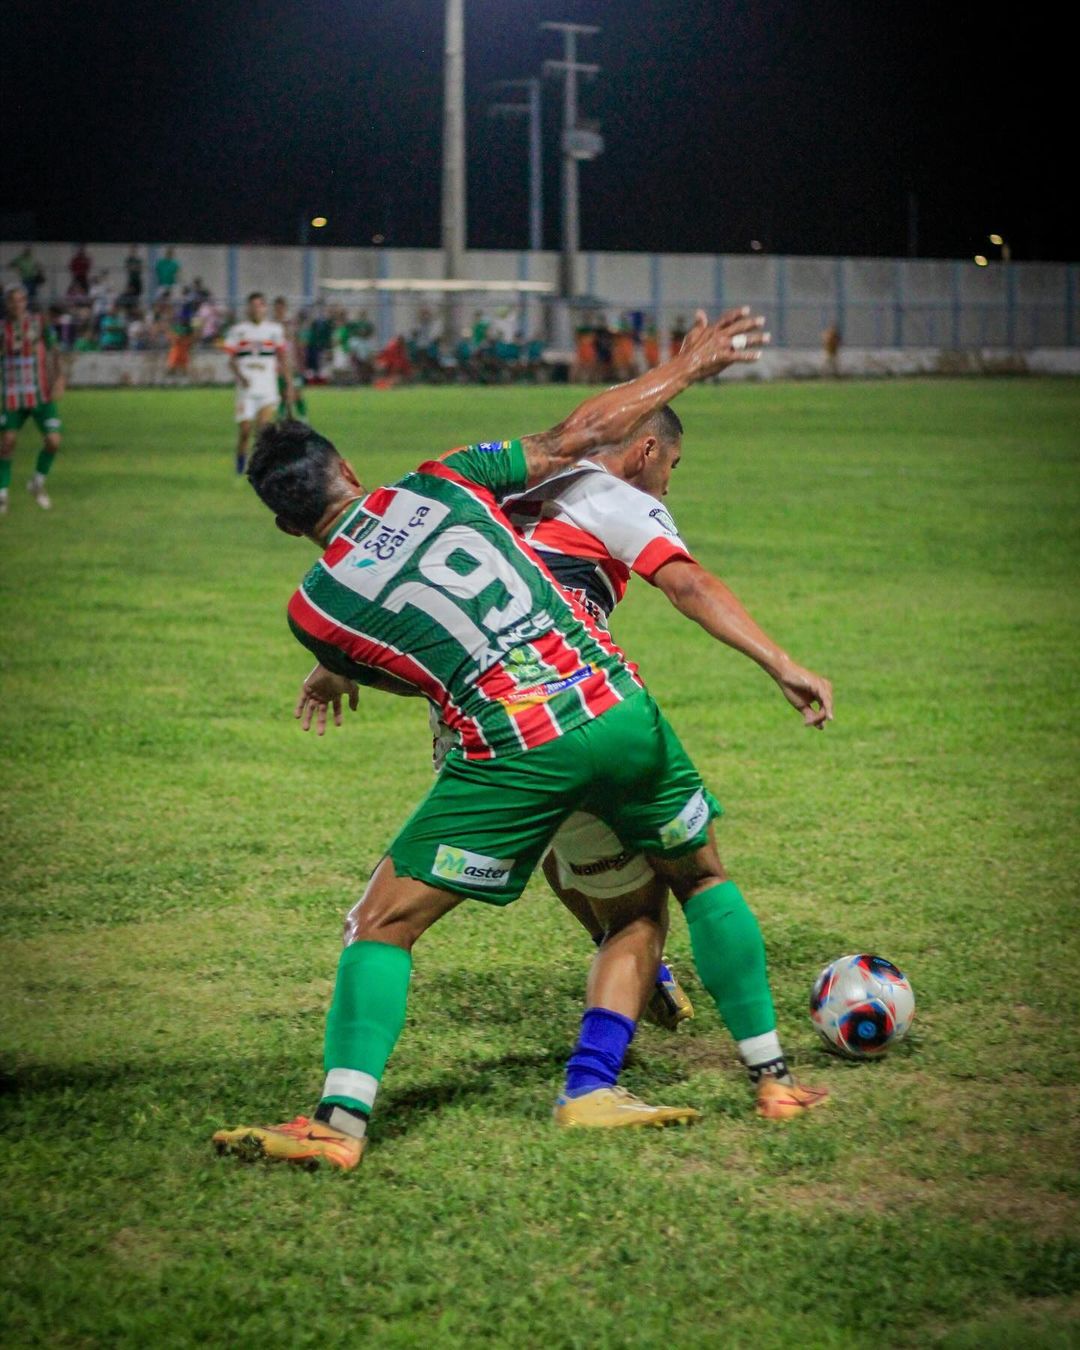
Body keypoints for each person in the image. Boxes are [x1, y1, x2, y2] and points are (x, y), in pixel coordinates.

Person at [212, 308, 829, 1173]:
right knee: (696, 880)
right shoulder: (445, 480)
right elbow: (581, 435)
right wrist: (685, 366)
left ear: (285, 525)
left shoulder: (313, 612)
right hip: (612, 701)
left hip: (510, 745)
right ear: (349, 468)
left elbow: (416, 673)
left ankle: (339, 1123)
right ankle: (773, 1081)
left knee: (381, 925)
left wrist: (338, 665)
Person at [493, 404, 835, 1032]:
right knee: (686, 875)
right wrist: (780, 661)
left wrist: (341, 662)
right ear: (647, 450)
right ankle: (758, 1060)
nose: (670, 482)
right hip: (568, 700)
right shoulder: (612, 493)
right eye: (672, 465)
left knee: (554, 838)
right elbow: (689, 586)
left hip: (472, 711)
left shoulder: (519, 481)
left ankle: (635, 962)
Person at [0, 285, 66, 515]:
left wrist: (59, 379)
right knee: (7, 442)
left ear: (26, 302)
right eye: (12, 300)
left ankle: (37, 484)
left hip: (40, 393)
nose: (17, 304)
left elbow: (54, 349)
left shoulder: (39, 323)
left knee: (54, 441)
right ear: (6, 303)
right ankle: (2, 495)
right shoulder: (2, 328)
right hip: (12, 394)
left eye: (20, 300)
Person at [223, 292, 293, 475]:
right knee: (245, 431)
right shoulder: (238, 331)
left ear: (265, 308)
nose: (256, 309)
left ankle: (258, 470)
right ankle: (239, 467)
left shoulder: (274, 330)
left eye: (259, 306)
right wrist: (241, 376)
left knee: (263, 431)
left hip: (267, 388)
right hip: (246, 390)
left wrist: (288, 384)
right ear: (248, 308)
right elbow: (230, 360)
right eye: (252, 306)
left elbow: (283, 359)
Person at [272, 297, 308, 417]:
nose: (279, 310)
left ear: (285, 308)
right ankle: (282, 420)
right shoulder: (271, 326)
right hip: (277, 365)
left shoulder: (291, 324)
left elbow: (298, 343)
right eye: (277, 308)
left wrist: (300, 362)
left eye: (281, 308)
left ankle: (303, 419)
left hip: (292, 364)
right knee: (283, 395)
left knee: (297, 393)